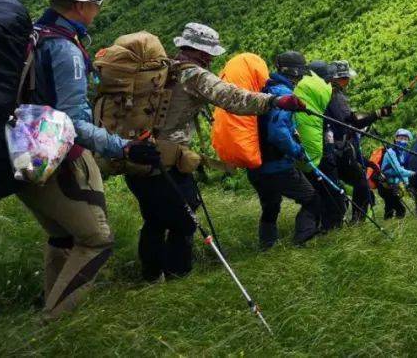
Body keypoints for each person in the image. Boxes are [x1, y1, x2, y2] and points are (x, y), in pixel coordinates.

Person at [18, 0, 159, 319]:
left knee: (62, 236)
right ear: (80, 6)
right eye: (96, 2)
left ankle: (50, 304)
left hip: (22, 147)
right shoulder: (64, 49)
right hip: (57, 154)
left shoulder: (35, 35)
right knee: (96, 239)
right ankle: (52, 323)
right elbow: (73, 123)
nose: (98, 8)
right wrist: (123, 147)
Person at [125, 24, 303, 281]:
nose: (211, 59)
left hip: (134, 155)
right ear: (200, 52)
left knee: (153, 219)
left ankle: (151, 277)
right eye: (209, 54)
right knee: (184, 221)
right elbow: (231, 97)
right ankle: (178, 277)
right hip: (166, 161)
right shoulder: (193, 76)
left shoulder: (161, 69)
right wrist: (273, 101)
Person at [247, 51, 322, 249]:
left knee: (271, 206)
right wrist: (297, 151)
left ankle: (267, 246)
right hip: (277, 166)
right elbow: (278, 134)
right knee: (312, 199)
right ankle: (301, 241)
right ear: (295, 73)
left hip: (256, 165)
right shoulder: (283, 94)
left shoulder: (265, 90)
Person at [321, 60, 391, 226]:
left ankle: (334, 222)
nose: (348, 82)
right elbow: (351, 122)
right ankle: (356, 221)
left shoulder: (325, 94)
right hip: (338, 149)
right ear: (338, 79)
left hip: (329, 147)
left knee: (335, 186)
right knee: (360, 182)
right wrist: (377, 114)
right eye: (346, 78)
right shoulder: (336, 96)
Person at [293, 61, 336, 229]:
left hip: (304, 154)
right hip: (315, 156)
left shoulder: (298, 92)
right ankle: (310, 232)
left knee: (315, 195)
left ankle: (318, 228)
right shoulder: (324, 95)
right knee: (318, 196)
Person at [378, 128, 415, 219]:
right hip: (385, 185)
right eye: (401, 138)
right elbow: (399, 171)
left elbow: (402, 169)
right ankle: (397, 228)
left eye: (405, 139)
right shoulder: (391, 153)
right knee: (401, 209)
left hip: (393, 185)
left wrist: (407, 184)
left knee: (389, 208)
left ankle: (389, 225)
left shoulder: (402, 154)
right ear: (396, 139)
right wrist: (413, 173)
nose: (403, 141)